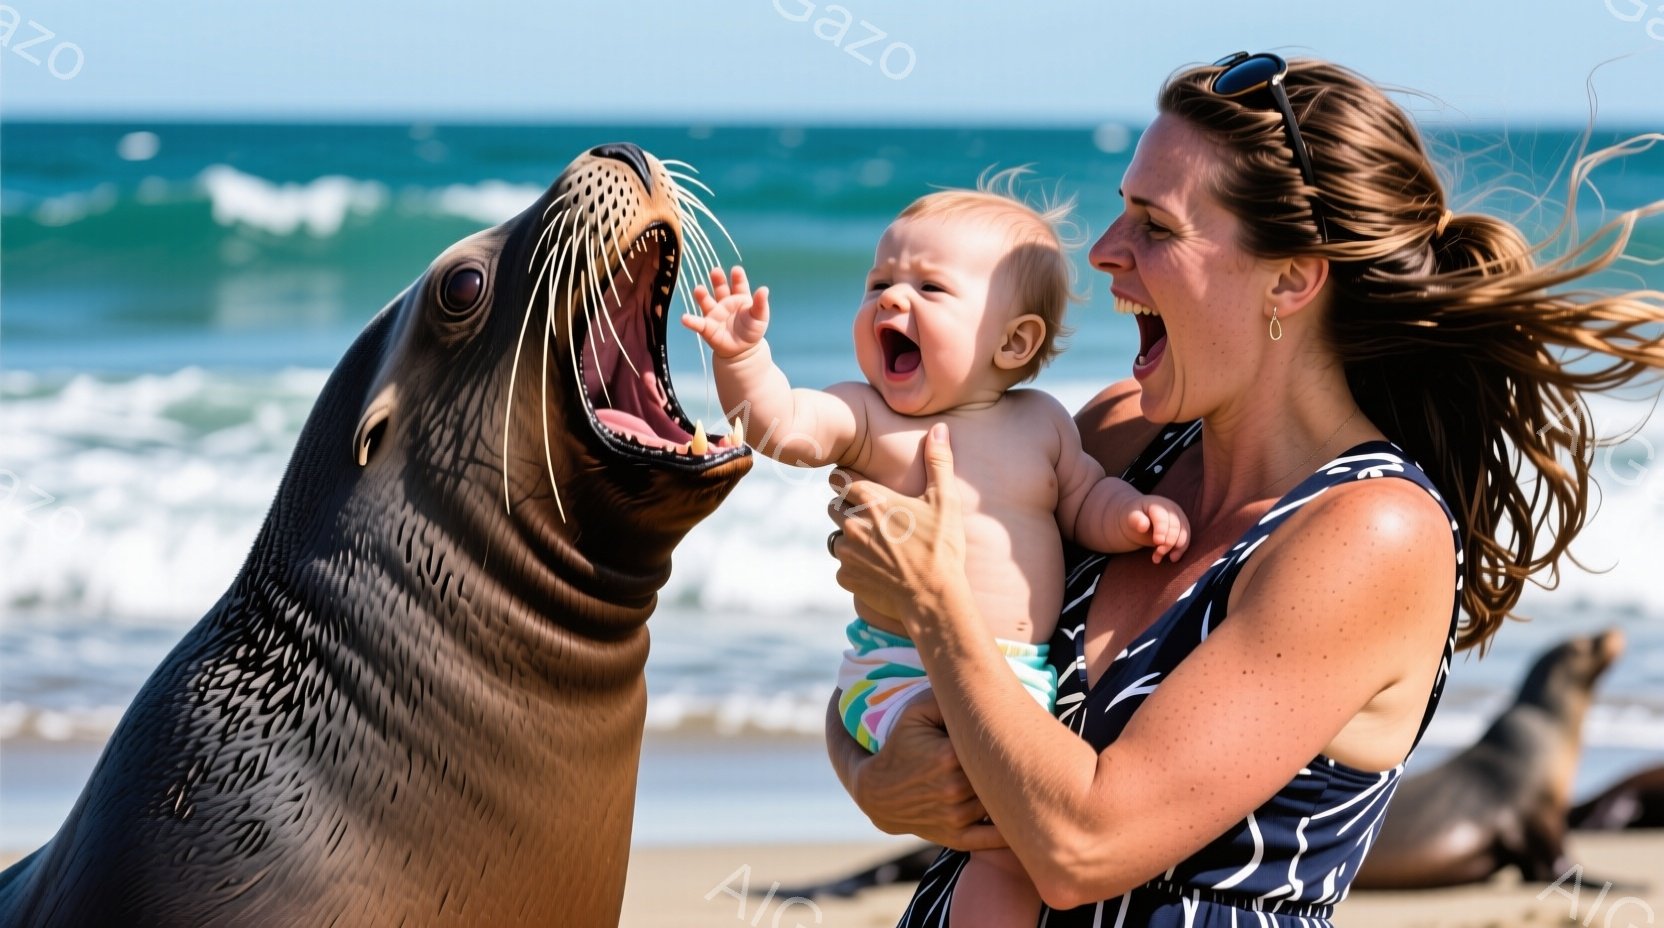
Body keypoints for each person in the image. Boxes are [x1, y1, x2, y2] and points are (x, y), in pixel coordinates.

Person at [822, 52, 1664, 926]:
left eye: (1155, 227)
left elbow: (1084, 847)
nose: (1105, 254)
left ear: (1291, 278)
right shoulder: (1118, 435)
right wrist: (873, 777)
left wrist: (936, 607)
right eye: (1120, 212)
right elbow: (884, 674)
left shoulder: (1372, 534)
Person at [682, 176, 1191, 928]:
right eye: (879, 282)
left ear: (1014, 341)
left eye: (929, 287)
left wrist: (1137, 518)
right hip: (900, 670)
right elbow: (780, 425)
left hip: (1013, 677)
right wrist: (742, 361)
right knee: (1001, 830)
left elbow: (1086, 501)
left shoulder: (1045, 424)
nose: (891, 300)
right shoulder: (867, 415)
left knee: (1020, 826)